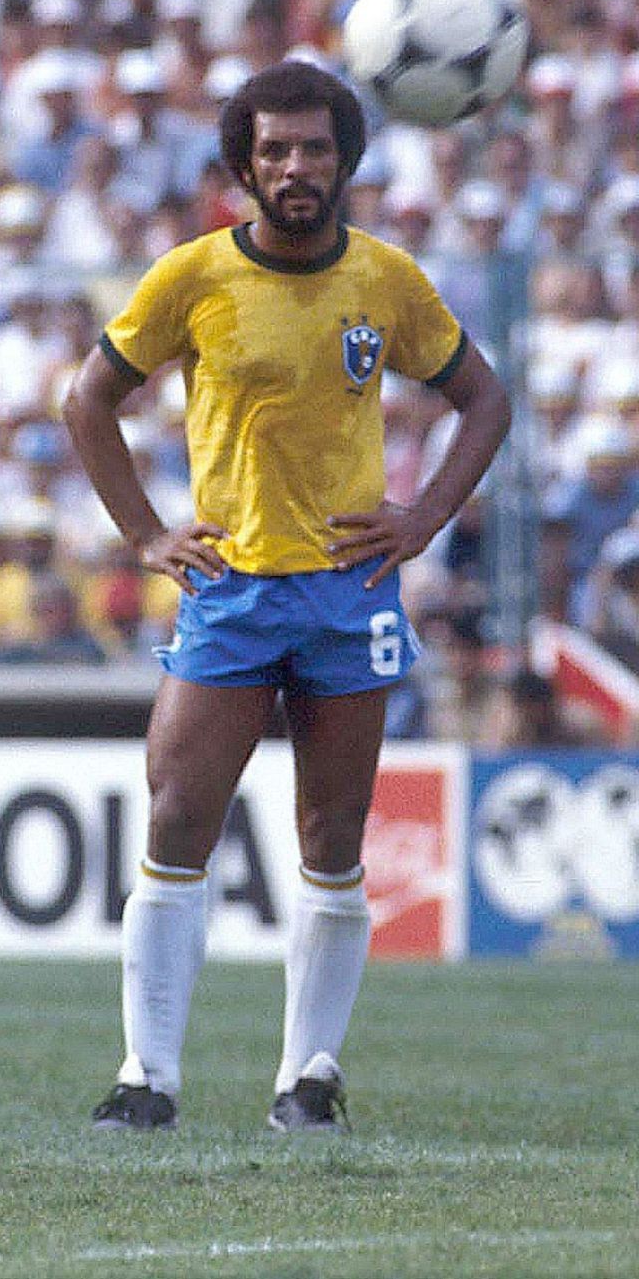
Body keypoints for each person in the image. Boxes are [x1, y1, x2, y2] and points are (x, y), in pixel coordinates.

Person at [62, 61, 510, 1134]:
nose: (296, 168)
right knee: (176, 816)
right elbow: (88, 401)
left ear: (345, 159)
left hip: (351, 592)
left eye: (314, 149)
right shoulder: (194, 277)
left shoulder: (388, 281)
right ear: (244, 166)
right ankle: (147, 1077)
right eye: (275, 151)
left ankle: (308, 1076)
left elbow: (483, 399)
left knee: (335, 829)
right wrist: (145, 536)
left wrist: (423, 517)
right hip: (229, 587)